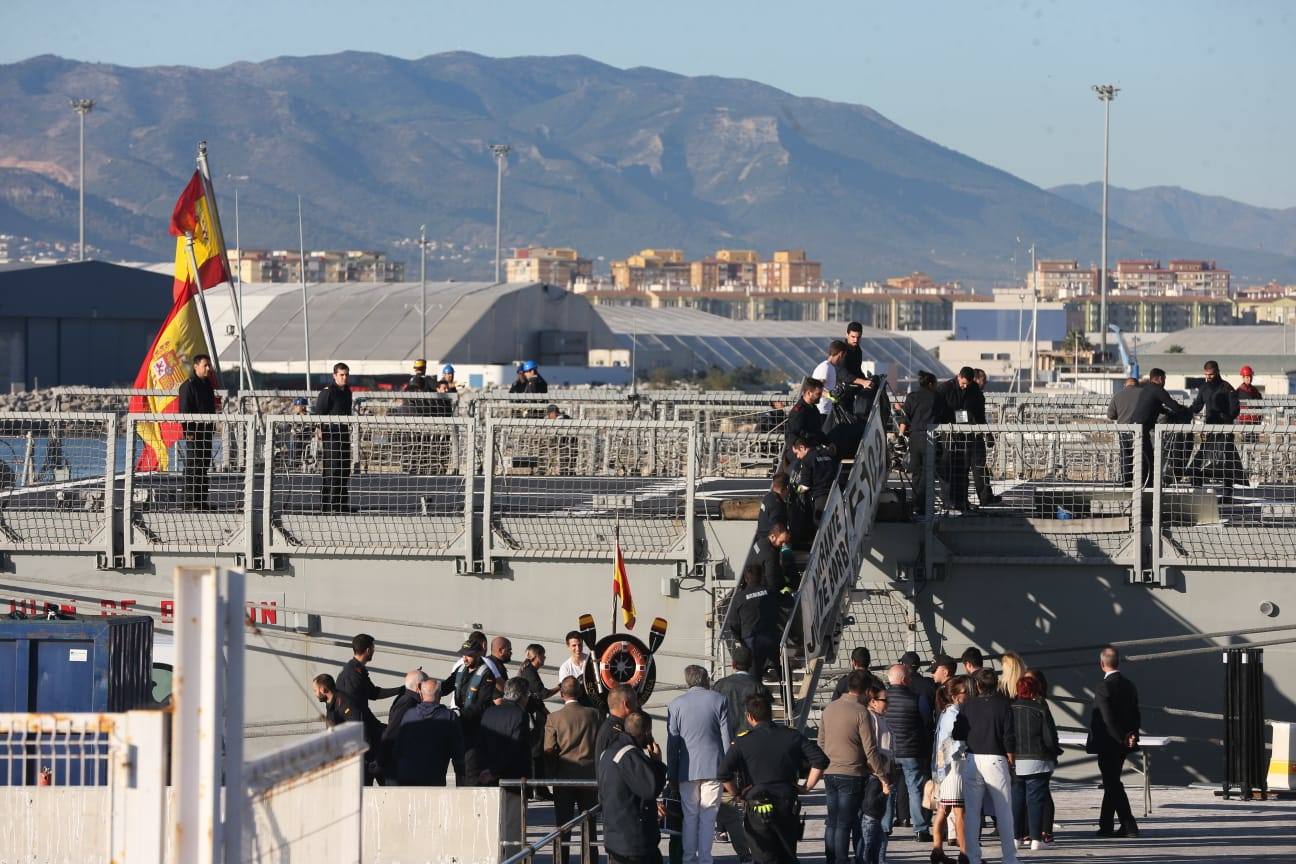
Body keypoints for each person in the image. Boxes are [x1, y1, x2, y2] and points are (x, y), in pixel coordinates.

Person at [718, 693, 828, 864]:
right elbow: (820, 760)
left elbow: (723, 773)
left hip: (757, 805)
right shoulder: (792, 735)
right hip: (786, 803)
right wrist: (807, 787)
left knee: (763, 857)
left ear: (749, 716)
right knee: (787, 855)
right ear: (771, 713)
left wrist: (738, 794)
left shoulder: (743, 741)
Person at [818, 670, 891, 864]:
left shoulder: (829, 709)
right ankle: (842, 860)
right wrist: (882, 776)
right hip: (852, 773)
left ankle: (831, 858)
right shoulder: (861, 712)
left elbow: (821, 743)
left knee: (832, 821)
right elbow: (870, 749)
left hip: (830, 771)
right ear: (867, 691)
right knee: (845, 823)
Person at [952, 668, 1018, 864]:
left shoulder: (968, 705)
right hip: (995, 759)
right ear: (995, 683)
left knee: (972, 812)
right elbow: (1009, 736)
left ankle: (973, 857)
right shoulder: (1004, 705)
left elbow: (957, 733)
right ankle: (1009, 858)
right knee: (1004, 810)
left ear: (978, 685)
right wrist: (1011, 759)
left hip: (972, 758)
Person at [667, 666, 731, 864]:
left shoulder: (675, 705)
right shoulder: (720, 700)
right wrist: (729, 770)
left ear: (687, 680)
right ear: (705, 680)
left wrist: (672, 773)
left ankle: (688, 859)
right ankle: (705, 859)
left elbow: (673, 744)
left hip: (686, 769)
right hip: (714, 767)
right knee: (708, 817)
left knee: (690, 816)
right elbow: (726, 739)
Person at [1086, 645, 1141, 838]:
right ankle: (1106, 824)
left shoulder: (1103, 687)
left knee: (1112, 783)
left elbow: (1107, 718)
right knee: (1112, 781)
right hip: (1125, 743)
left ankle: (1129, 824)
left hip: (1109, 743)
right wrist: (1131, 735)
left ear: (1102, 664)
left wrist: (1120, 738)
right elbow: (1135, 714)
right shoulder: (1130, 685)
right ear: (1118, 662)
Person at [598, 711, 667, 864]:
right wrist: (657, 763)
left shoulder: (608, 752)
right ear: (646, 732)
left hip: (615, 837)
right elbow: (651, 788)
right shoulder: (629, 755)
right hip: (633, 841)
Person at [545, 676, 601, 864]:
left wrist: (552, 772)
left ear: (561, 693)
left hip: (564, 776)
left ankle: (562, 860)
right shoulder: (594, 714)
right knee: (589, 824)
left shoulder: (554, 717)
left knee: (563, 825)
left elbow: (549, 749)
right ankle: (590, 861)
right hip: (589, 776)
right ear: (580, 692)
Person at [336, 633, 404, 784]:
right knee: (366, 782)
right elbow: (355, 710)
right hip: (361, 739)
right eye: (373, 648)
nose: (374, 651)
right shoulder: (352, 675)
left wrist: (400, 690)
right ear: (368, 650)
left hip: (365, 734)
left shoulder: (355, 670)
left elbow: (372, 694)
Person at [479, 678, 533, 848]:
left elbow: (481, 744)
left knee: (493, 824)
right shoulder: (520, 715)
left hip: (489, 777)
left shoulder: (489, 712)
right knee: (513, 827)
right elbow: (514, 748)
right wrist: (495, 770)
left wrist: (488, 770)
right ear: (523, 695)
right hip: (513, 778)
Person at [883, 663, 932, 843]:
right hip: (912, 751)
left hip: (888, 752)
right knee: (915, 789)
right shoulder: (917, 699)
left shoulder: (882, 699)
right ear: (904, 680)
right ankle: (920, 829)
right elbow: (927, 721)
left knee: (888, 789)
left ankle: (884, 827)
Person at [1011, 675, 1060, 851]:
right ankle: (1036, 839)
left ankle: (1016, 838)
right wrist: (1055, 752)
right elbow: (1050, 738)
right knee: (1036, 801)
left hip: (1016, 760)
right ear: (1035, 690)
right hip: (1038, 760)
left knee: (1017, 800)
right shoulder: (1041, 709)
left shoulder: (1010, 708)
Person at [898, 371, 951, 518]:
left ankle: (916, 504)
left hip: (914, 438)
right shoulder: (937, 398)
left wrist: (901, 436)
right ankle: (926, 505)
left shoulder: (911, 397)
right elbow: (945, 417)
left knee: (916, 473)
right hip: (930, 437)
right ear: (930, 384)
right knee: (929, 473)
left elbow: (904, 419)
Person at [395, 678, 465, 786]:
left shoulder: (409, 715)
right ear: (440, 695)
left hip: (406, 776)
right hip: (434, 778)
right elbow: (458, 753)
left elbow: (398, 746)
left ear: (421, 694)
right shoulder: (449, 716)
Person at [937, 368, 987, 513]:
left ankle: (961, 501)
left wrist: (983, 430)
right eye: (963, 383)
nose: (964, 387)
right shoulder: (945, 388)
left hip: (965, 433)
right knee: (948, 468)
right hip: (948, 432)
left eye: (967, 385)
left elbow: (979, 411)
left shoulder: (973, 390)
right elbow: (938, 408)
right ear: (959, 377)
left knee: (962, 469)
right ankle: (947, 501)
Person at [930, 676, 969, 864]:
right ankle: (964, 853)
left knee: (942, 810)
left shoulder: (944, 713)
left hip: (942, 768)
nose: (967, 695)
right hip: (954, 769)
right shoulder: (954, 715)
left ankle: (937, 849)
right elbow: (957, 743)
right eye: (964, 692)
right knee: (959, 813)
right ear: (955, 696)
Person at [1187, 359, 1244, 486]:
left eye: (1211, 375)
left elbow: (1235, 408)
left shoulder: (1227, 388)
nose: (1208, 378)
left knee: (1227, 462)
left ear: (1217, 372)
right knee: (1200, 459)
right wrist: (1184, 412)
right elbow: (1197, 406)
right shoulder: (1204, 388)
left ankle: (1227, 493)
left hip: (1225, 430)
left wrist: (1227, 418)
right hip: (1209, 429)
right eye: (1206, 375)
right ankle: (1196, 488)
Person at [1131, 368, 1190, 485]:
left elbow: (1156, 406)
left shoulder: (1147, 388)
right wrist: (1186, 411)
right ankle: (1148, 486)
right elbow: (1173, 405)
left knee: (1144, 458)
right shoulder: (1158, 390)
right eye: (1164, 379)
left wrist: (1166, 412)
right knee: (1147, 459)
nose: (1164, 382)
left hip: (1136, 427)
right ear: (1160, 378)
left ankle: (1146, 484)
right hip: (1141, 429)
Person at [726, 564, 781, 683]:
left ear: (746, 578)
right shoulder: (770, 591)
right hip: (771, 637)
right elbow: (787, 602)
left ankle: (756, 698)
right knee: (782, 671)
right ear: (761, 576)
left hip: (751, 641)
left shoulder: (739, 597)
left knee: (754, 677)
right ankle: (786, 697)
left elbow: (733, 622)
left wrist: (739, 639)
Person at [177, 353, 216, 510]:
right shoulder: (189, 385)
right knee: (193, 466)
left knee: (203, 466)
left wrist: (212, 428)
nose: (208, 368)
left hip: (206, 432)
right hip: (194, 434)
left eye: (209, 365)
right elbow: (185, 411)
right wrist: (189, 432)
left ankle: (201, 501)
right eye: (205, 365)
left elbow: (211, 409)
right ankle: (190, 502)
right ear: (196, 366)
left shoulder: (207, 385)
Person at [860, 685, 894, 864]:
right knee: (871, 821)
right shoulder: (871, 719)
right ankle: (868, 858)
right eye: (884, 700)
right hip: (876, 776)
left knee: (879, 821)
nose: (887, 703)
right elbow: (871, 749)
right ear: (873, 702)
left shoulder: (880, 718)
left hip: (883, 773)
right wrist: (881, 776)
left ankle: (879, 858)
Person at [315, 362, 353, 513]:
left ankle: (341, 505)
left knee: (344, 469)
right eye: (341, 375)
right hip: (331, 435)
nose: (345, 378)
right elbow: (319, 413)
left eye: (346, 375)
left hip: (343, 434)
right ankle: (328, 505)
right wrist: (319, 430)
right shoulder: (328, 392)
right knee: (332, 470)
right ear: (335, 375)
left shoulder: (347, 392)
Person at [713, 644, 770, 738]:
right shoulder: (758, 686)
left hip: (727, 738)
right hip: (752, 738)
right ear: (751, 664)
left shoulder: (720, 685)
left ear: (733, 664)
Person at [518, 644, 555, 788]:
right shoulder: (530, 672)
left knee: (538, 751)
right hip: (534, 718)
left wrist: (546, 712)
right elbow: (542, 693)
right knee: (537, 751)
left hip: (537, 714)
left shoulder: (529, 671)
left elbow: (537, 698)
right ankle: (538, 788)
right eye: (543, 655)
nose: (545, 658)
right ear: (537, 656)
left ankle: (539, 787)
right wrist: (560, 686)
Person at [380, 668, 428, 780]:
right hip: (399, 767)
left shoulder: (406, 699)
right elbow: (391, 732)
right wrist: (380, 762)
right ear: (419, 686)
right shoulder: (408, 702)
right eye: (426, 683)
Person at [967, 370, 1000, 506]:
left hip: (962, 435)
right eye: (984, 380)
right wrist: (988, 434)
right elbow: (980, 417)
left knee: (965, 469)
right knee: (979, 468)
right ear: (976, 379)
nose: (985, 383)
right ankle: (985, 497)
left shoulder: (962, 392)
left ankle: (961, 499)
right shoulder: (977, 395)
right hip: (976, 436)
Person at [1107, 376, 1142, 485]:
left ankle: (1127, 483)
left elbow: (1111, 415)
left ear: (1125, 385)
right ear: (1137, 385)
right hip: (1141, 431)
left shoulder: (1118, 396)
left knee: (1126, 457)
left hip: (1124, 431)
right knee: (1142, 457)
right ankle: (1142, 482)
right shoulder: (1143, 394)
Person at [596, 683, 641, 758]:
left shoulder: (608, 726)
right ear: (626, 704)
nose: (637, 705)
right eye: (635, 701)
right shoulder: (618, 734)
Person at [783, 378, 825, 454]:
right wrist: (800, 447)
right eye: (818, 394)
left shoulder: (813, 408)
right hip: (802, 452)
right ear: (809, 393)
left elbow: (817, 431)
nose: (820, 396)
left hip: (814, 448)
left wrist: (829, 443)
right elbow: (791, 434)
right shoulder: (799, 411)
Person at [900, 651, 938, 719]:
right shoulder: (930, 683)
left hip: (907, 725)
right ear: (919, 665)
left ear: (904, 665)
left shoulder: (900, 685)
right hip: (928, 726)